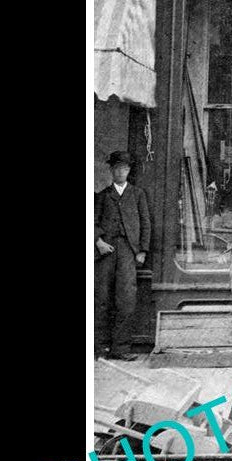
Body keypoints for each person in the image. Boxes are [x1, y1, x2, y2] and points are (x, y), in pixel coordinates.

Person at [94, 150, 151, 360]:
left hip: (128, 253)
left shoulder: (137, 195)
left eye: (124, 168)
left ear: (129, 171)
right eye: (117, 168)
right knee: (101, 299)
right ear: (111, 170)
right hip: (105, 254)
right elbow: (92, 222)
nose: (120, 172)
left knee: (126, 300)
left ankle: (121, 349)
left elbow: (146, 223)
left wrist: (142, 251)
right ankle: (99, 349)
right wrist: (98, 242)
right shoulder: (102, 196)